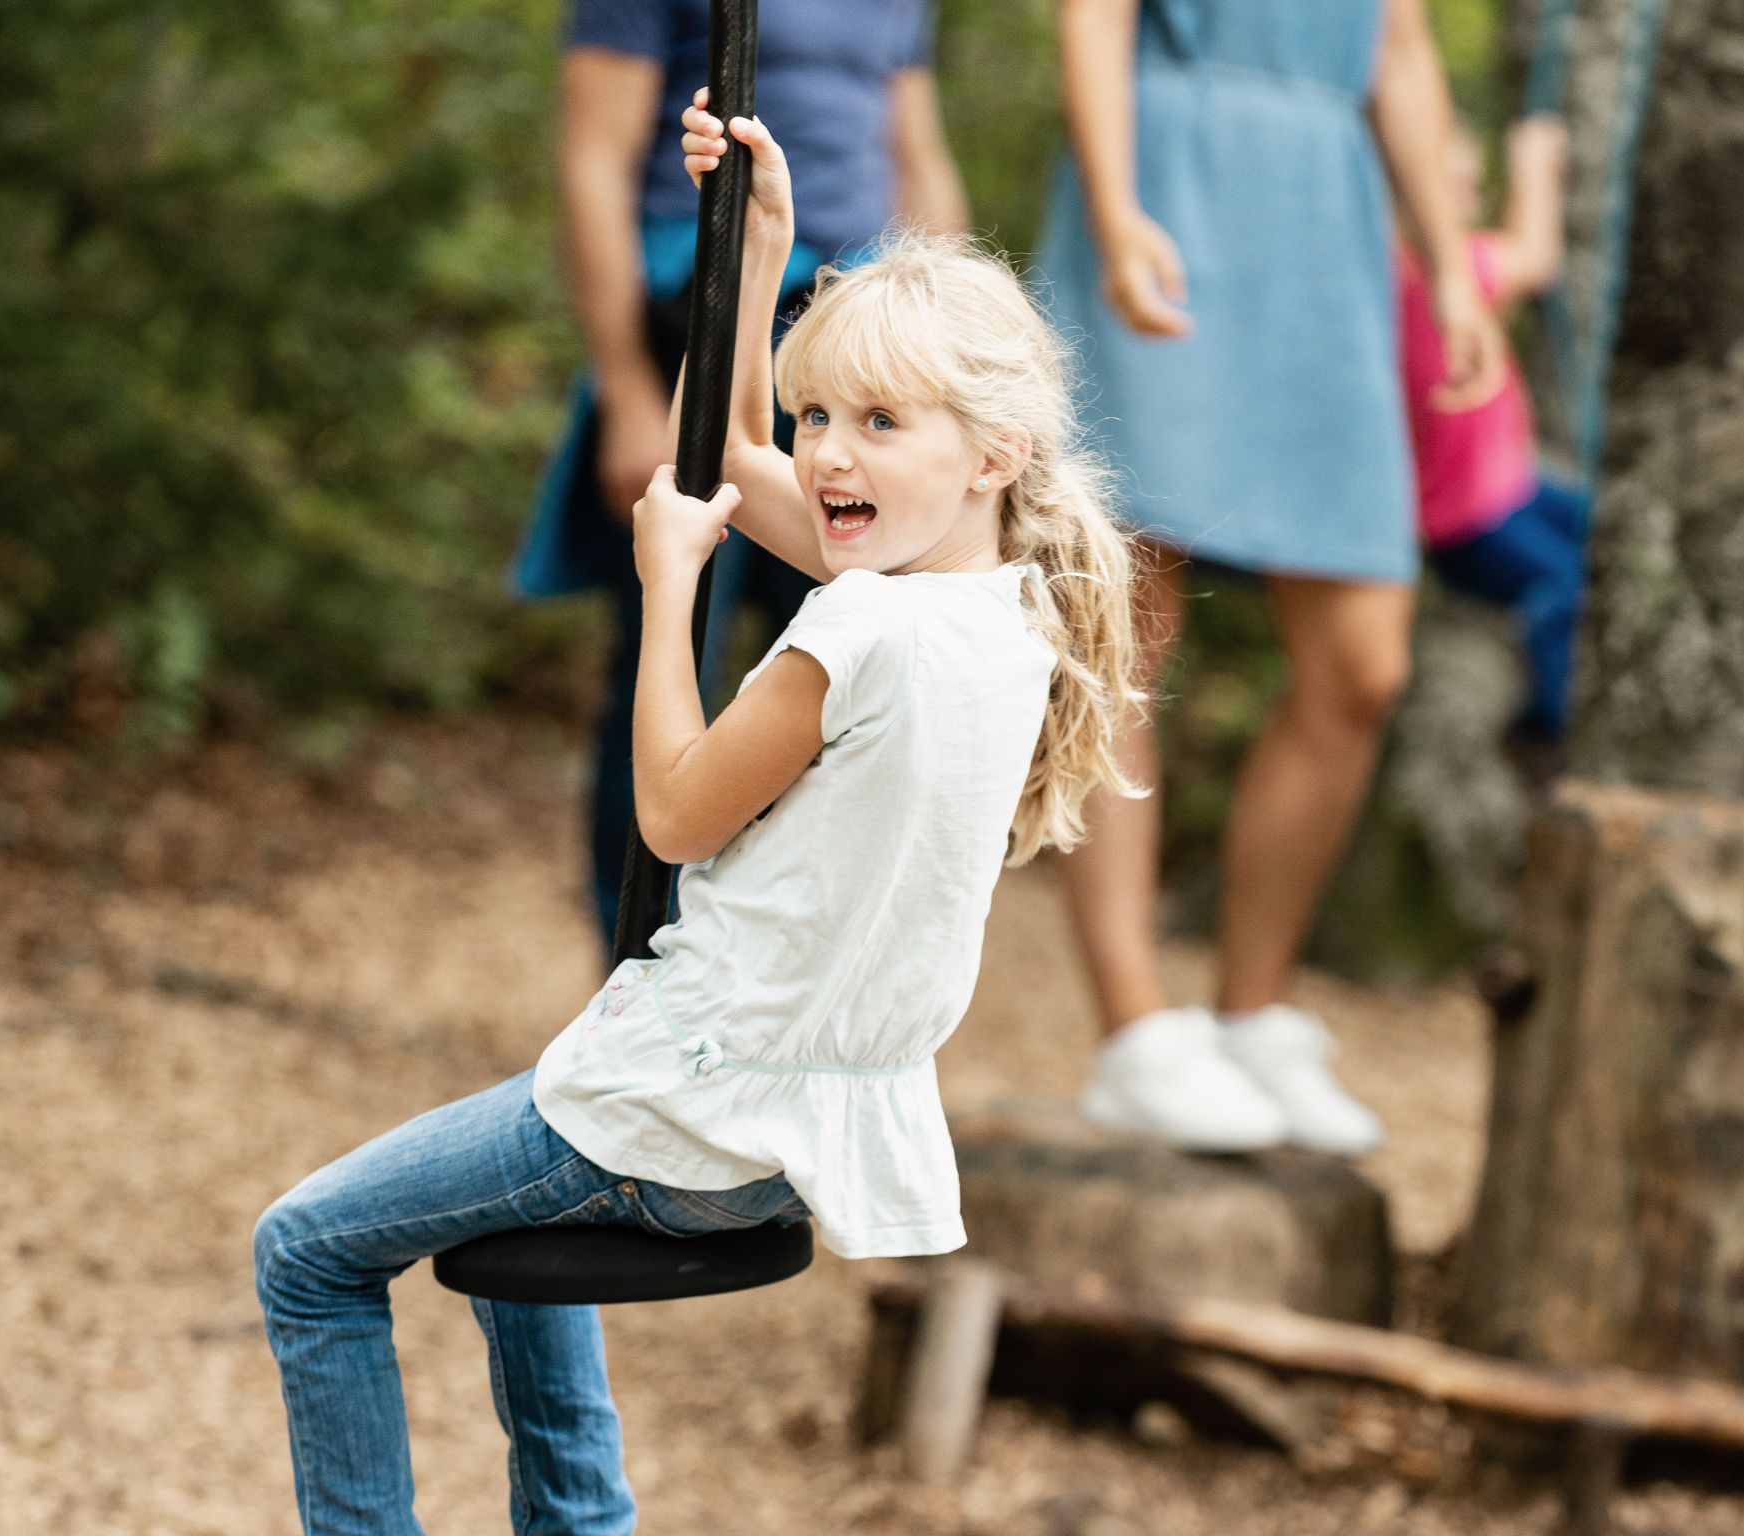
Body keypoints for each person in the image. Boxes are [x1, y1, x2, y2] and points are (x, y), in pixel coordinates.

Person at [252, 105, 1137, 1535]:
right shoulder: (1005, 612)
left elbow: (669, 817)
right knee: (500, 1242)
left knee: (306, 1251)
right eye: (823, 416)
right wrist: (763, 243)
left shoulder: (859, 633)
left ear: (992, 453)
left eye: (879, 424)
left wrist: (673, 587)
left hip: (682, 1116)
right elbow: (726, 445)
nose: (830, 456)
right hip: (791, 1135)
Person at [1038, 0, 1507, 1155]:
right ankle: (1135, 1032)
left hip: (1326, 228)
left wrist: (1448, 263)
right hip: (1170, 179)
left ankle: (1251, 1013)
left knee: (1363, 664)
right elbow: (1092, 16)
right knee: (1125, 630)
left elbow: (1397, 48)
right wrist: (1112, 206)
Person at [514, 0, 968, 950]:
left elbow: (916, 156)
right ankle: (633, 961)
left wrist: (953, 349)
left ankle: (776, 960)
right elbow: (592, 159)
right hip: (705, 304)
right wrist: (631, 389)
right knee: (674, 645)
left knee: (846, 658)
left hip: (861, 328)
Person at [1400, 115, 1586, 779]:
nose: (1471, 203)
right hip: (1471, 525)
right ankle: (1545, 725)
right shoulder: (1435, 276)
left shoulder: (1406, 279)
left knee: (1608, 530)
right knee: (1561, 583)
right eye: (1457, 187)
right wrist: (1533, 163)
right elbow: (1533, 257)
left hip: (1512, 490)